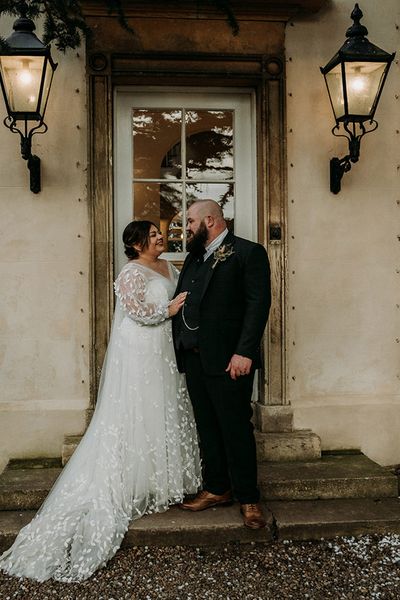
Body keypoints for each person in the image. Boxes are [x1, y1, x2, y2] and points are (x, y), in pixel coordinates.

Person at [0, 221, 201, 583]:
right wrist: (167, 311)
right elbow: (136, 311)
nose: (160, 236)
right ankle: (131, 482)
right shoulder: (130, 272)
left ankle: (161, 482)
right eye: (154, 234)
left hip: (164, 352)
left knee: (164, 408)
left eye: (159, 233)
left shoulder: (170, 266)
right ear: (138, 243)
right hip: (139, 349)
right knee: (139, 411)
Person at [172, 199, 271, 529]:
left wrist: (244, 352)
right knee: (207, 425)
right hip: (194, 357)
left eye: (189, 221)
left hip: (231, 360)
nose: (186, 227)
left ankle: (249, 497)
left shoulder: (247, 252)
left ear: (209, 220)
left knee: (235, 428)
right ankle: (217, 488)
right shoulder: (194, 256)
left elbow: (258, 305)